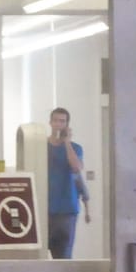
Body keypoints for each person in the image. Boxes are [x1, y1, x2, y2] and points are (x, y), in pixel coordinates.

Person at [45, 108, 91, 260]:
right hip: (45, 209)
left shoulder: (75, 148)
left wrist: (67, 143)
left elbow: (76, 168)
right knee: (41, 254)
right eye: (56, 120)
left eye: (62, 121)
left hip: (67, 210)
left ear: (67, 125)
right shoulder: (42, 147)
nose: (58, 124)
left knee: (64, 256)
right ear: (50, 122)